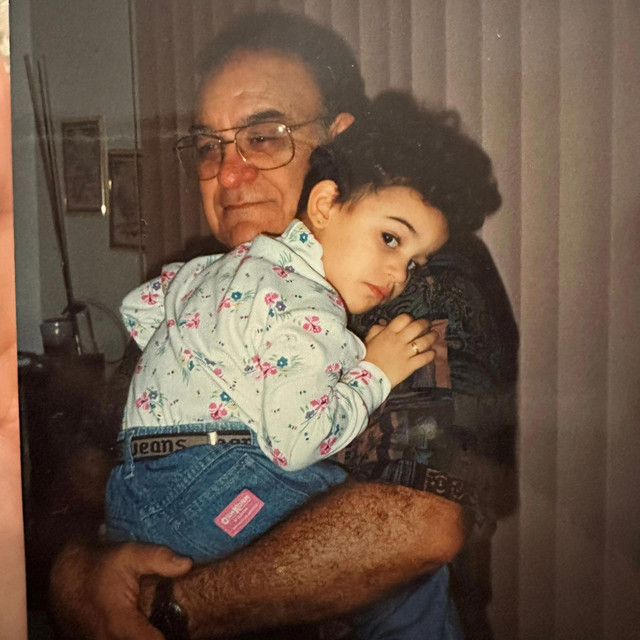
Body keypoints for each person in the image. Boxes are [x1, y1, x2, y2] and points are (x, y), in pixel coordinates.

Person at [49, 11, 517, 640]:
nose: (228, 173)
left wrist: (167, 606)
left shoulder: (423, 281)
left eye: (264, 137)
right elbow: (90, 464)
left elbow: (419, 524)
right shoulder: (203, 273)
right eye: (208, 146)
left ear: (338, 145)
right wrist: (75, 572)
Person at [105, 100, 451, 563]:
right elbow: (296, 443)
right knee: (387, 532)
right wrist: (375, 372)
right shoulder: (312, 307)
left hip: (131, 488)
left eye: (413, 263)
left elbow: (139, 307)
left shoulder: (224, 265)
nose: (398, 275)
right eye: (390, 239)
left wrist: (202, 365)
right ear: (324, 205)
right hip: (213, 492)